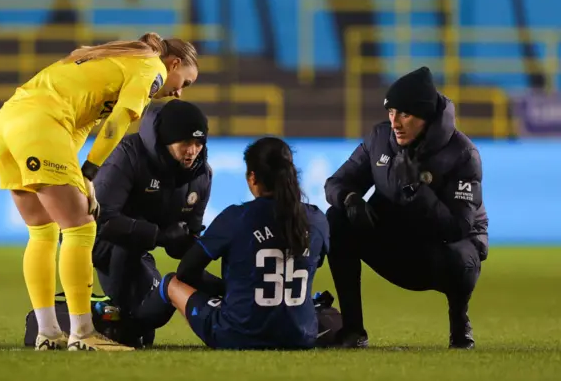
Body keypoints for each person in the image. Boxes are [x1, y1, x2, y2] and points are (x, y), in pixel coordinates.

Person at [0, 32, 199, 351]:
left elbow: (78, 124)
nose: (180, 93)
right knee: (81, 228)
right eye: (185, 81)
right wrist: (89, 171)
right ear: (173, 64)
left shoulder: (113, 59)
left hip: (8, 122)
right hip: (41, 125)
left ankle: (48, 333)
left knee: (43, 231)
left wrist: (76, 172)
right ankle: (82, 334)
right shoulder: (150, 68)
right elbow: (118, 121)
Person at [324, 66, 488, 349]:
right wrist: (350, 200)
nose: (395, 122)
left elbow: (458, 227)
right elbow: (336, 183)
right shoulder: (380, 139)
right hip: (396, 244)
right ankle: (353, 329)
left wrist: (416, 190)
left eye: (405, 114)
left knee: (465, 258)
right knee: (337, 218)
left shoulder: (463, 154)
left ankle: (459, 321)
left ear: (425, 116)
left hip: (441, 254)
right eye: (391, 112)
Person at [156, 137, 330, 350]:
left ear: (253, 178)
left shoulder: (235, 218)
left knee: (170, 283)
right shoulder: (317, 219)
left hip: (238, 335)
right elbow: (315, 263)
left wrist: (228, 288)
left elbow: (186, 271)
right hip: (300, 336)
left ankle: (130, 329)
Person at [90, 98, 215, 347]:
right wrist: (159, 235)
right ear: (166, 140)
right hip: (101, 244)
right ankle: (100, 309)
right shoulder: (127, 154)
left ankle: (109, 312)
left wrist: (213, 272)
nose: (192, 151)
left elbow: (181, 243)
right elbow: (100, 219)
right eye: (185, 143)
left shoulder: (202, 175)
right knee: (135, 315)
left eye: (198, 143)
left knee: (146, 323)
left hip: (140, 249)